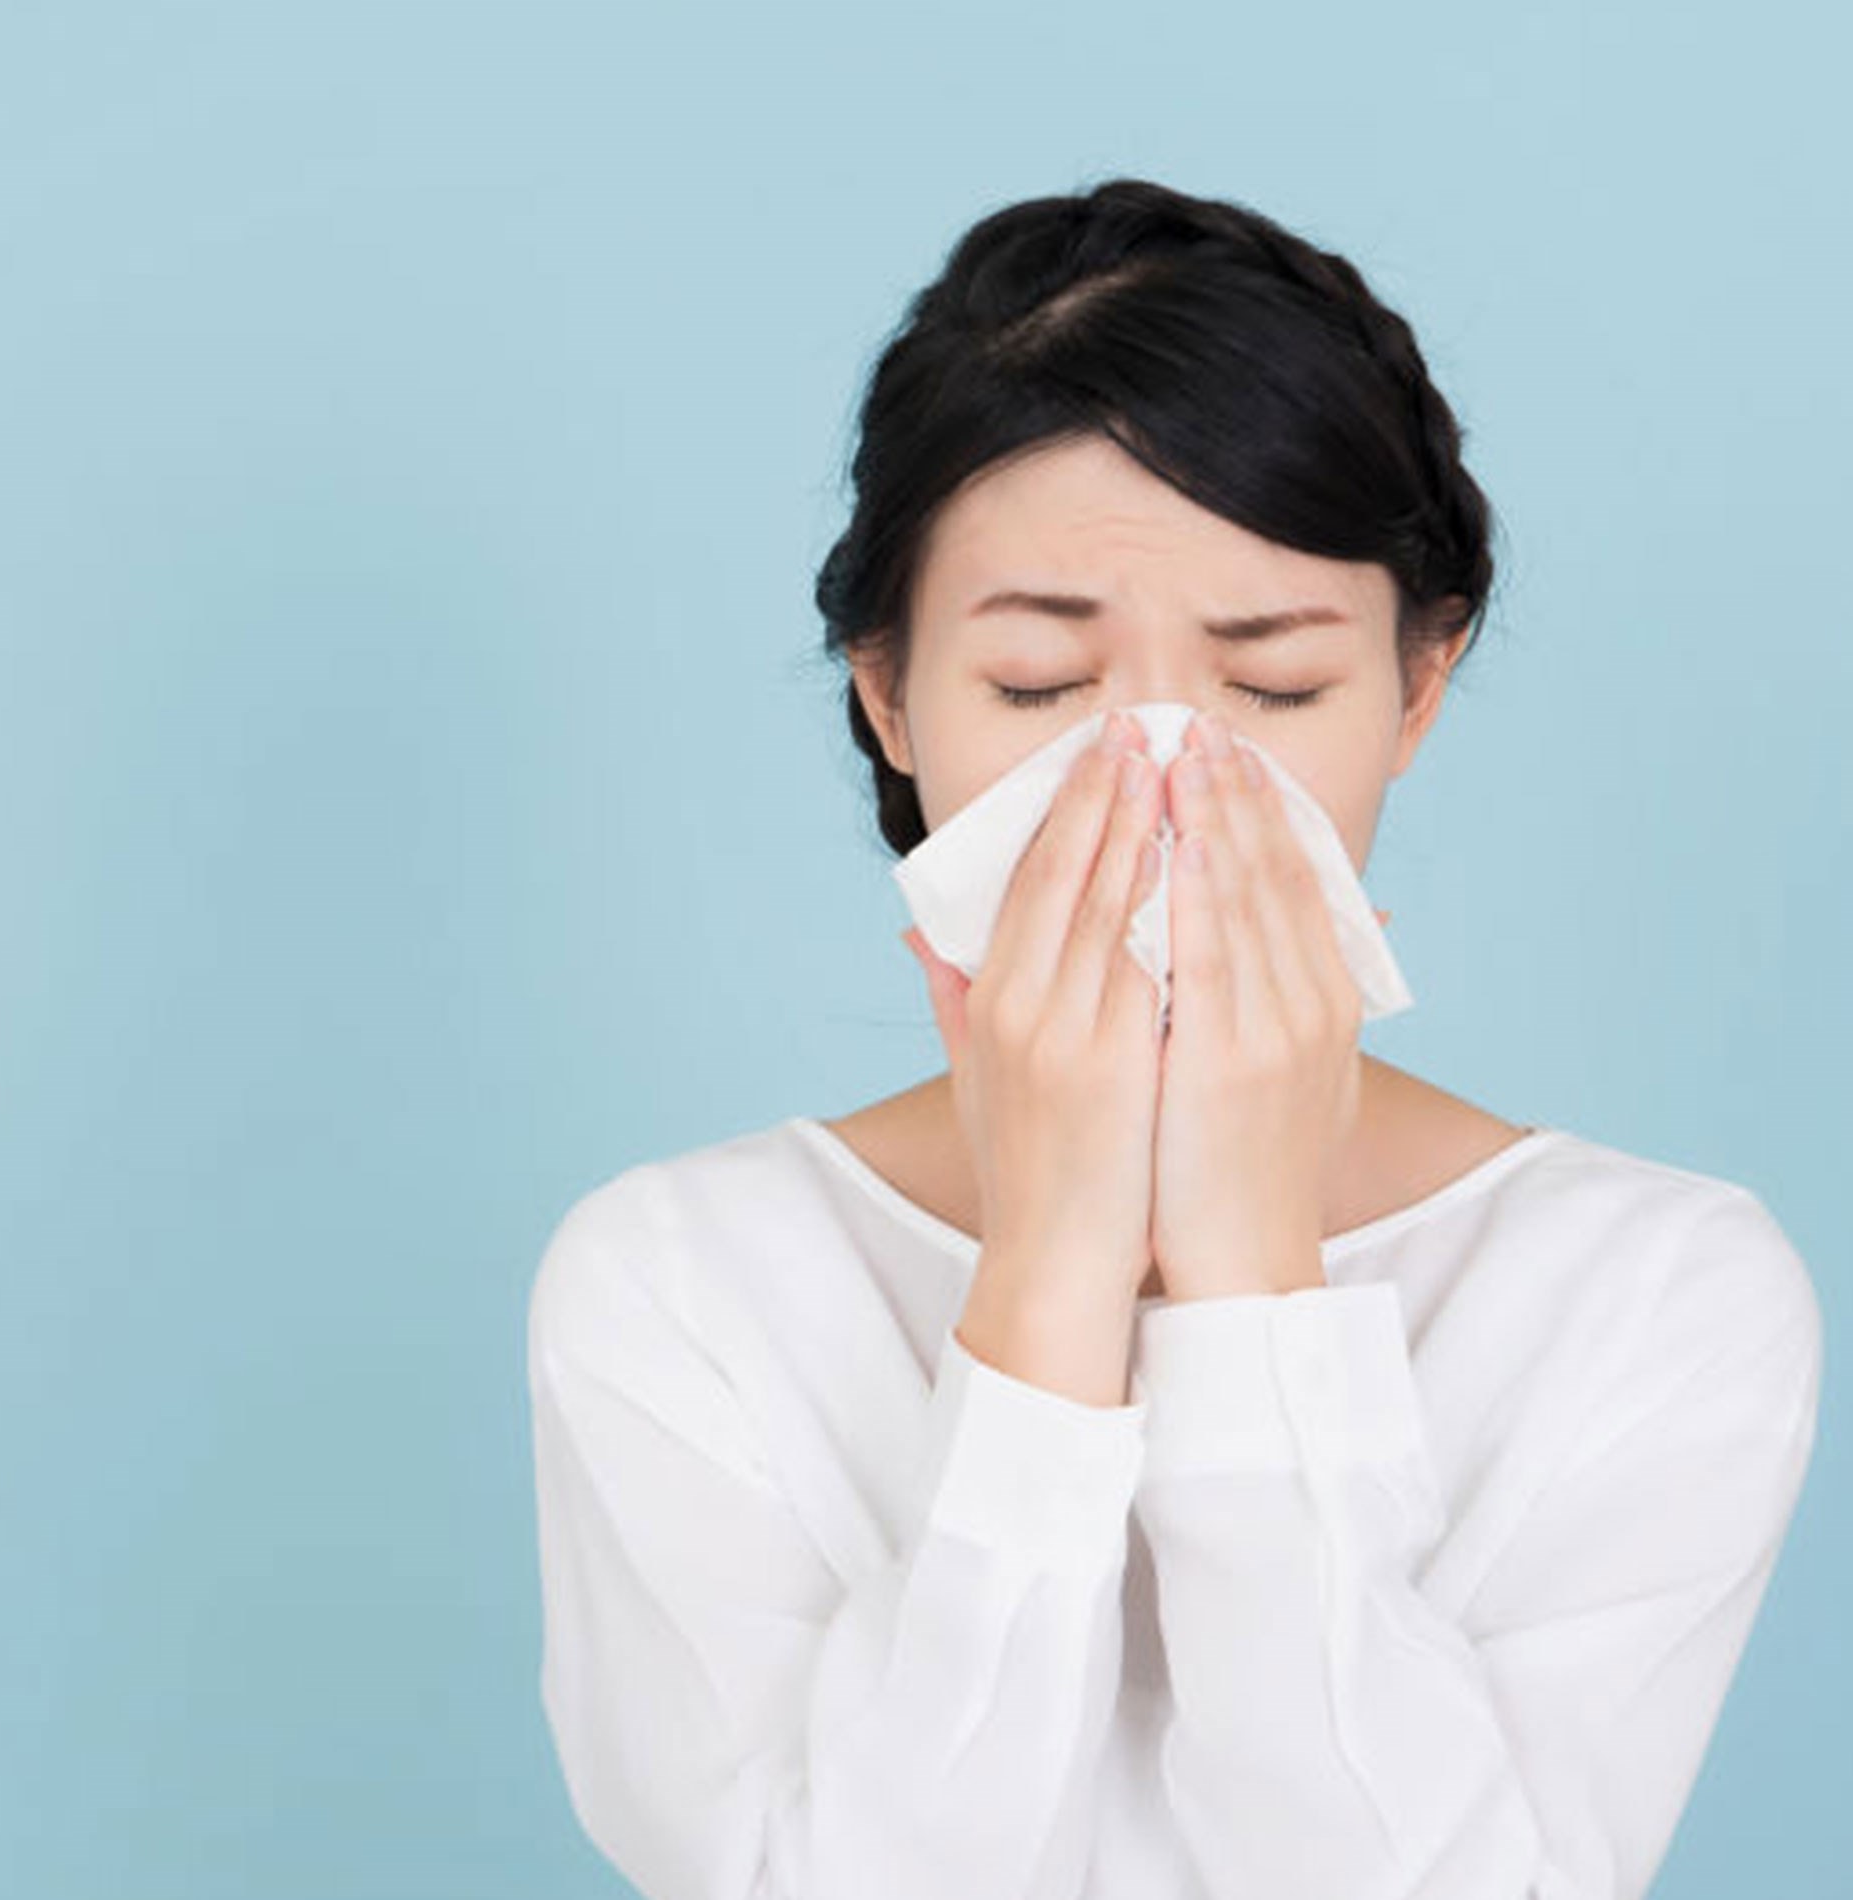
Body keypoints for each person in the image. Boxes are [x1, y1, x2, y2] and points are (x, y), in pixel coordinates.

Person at [525, 178, 1823, 1900]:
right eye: (1042, 689)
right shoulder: (680, 1287)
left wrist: (1246, 1283)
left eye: (1272, 688)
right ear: (891, 697)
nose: (1155, 787)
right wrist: (1049, 1280)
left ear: (1415, 694)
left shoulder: (1652, 1294)